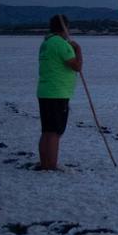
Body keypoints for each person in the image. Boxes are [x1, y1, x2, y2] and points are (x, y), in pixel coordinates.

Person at [36, 14, 82, 170]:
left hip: (45, 91)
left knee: (47, 130)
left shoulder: (46, 42)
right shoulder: (61, 44)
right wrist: (78, 50)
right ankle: (52, 165)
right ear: (65, 28)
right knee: (55, 132)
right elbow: (76, 66)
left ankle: (44, 163)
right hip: (57, 93)